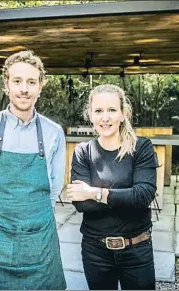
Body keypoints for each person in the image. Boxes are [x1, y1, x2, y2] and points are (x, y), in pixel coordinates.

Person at [0, 50, 66, 290]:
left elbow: (55, 184)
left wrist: (37, 215)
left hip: (40, 236)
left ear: (40, 86)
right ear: (6, 85)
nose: (24, 89)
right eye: (17, 81)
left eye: (31, 82)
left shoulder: (53, 133)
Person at [67, 84, 157, 290]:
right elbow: (81, 205)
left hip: (137, 248)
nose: (104, 117)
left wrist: (94, 193)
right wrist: (125, 196)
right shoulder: (83, 151)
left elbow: (143, 196)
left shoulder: (141, 147)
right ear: (90, 115)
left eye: (111, 110)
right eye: (98, 111)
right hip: (95, 251)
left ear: (123, 114)